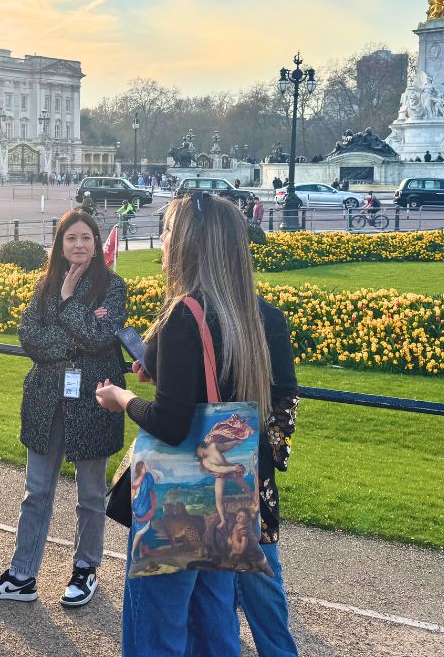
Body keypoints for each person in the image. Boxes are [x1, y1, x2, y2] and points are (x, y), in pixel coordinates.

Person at [96, 191, 300, 657]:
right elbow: (275, 398)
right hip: (231, 491)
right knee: (215, 618)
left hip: (178, 496)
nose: (163, 241)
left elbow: (171, 424)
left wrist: (122, 397)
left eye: (167, 231)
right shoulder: (264, 316)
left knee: (157, 624)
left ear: (185, 243)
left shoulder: (183, 315)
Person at [0, 210, 128, 608]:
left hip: (94, 400)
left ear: (96, 245)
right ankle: (22, 574)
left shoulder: (112, 287)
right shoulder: (44, 285)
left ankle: (85, 567)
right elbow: (30, 337)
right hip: (46, 400)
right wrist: (72, 332)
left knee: (90, 492)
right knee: (36, 491)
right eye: (71, 238)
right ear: (60, 245)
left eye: (86, 238)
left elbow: (100, 337)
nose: (79, 245)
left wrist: (65, 305)